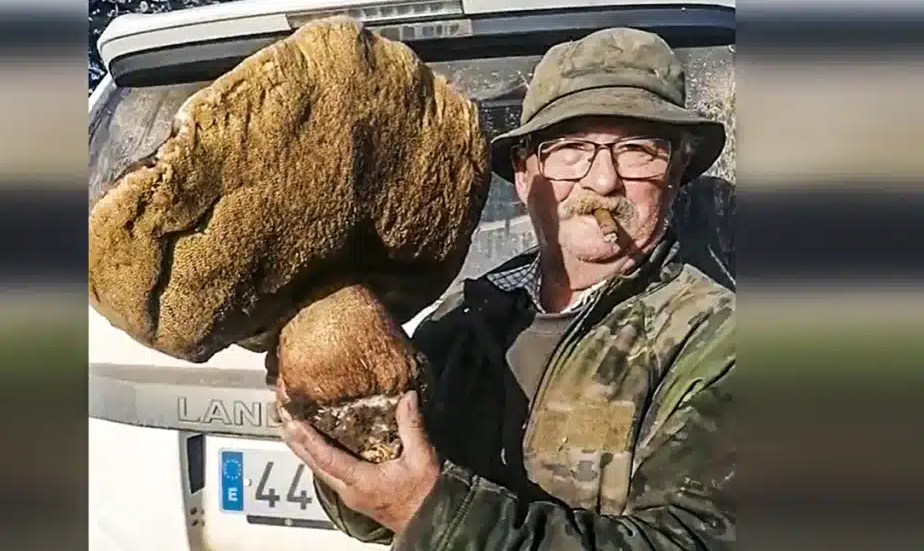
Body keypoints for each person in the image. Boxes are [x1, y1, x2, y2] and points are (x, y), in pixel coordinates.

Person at [279, 27, 736, 550]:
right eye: (570, 149)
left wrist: (429, 510)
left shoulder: (721, 343)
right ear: (525, 175)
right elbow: (375, 517)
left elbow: (690, 543)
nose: (603, 180)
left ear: (677, 169)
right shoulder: (465, 320)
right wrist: (339, 430)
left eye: (637, 149)